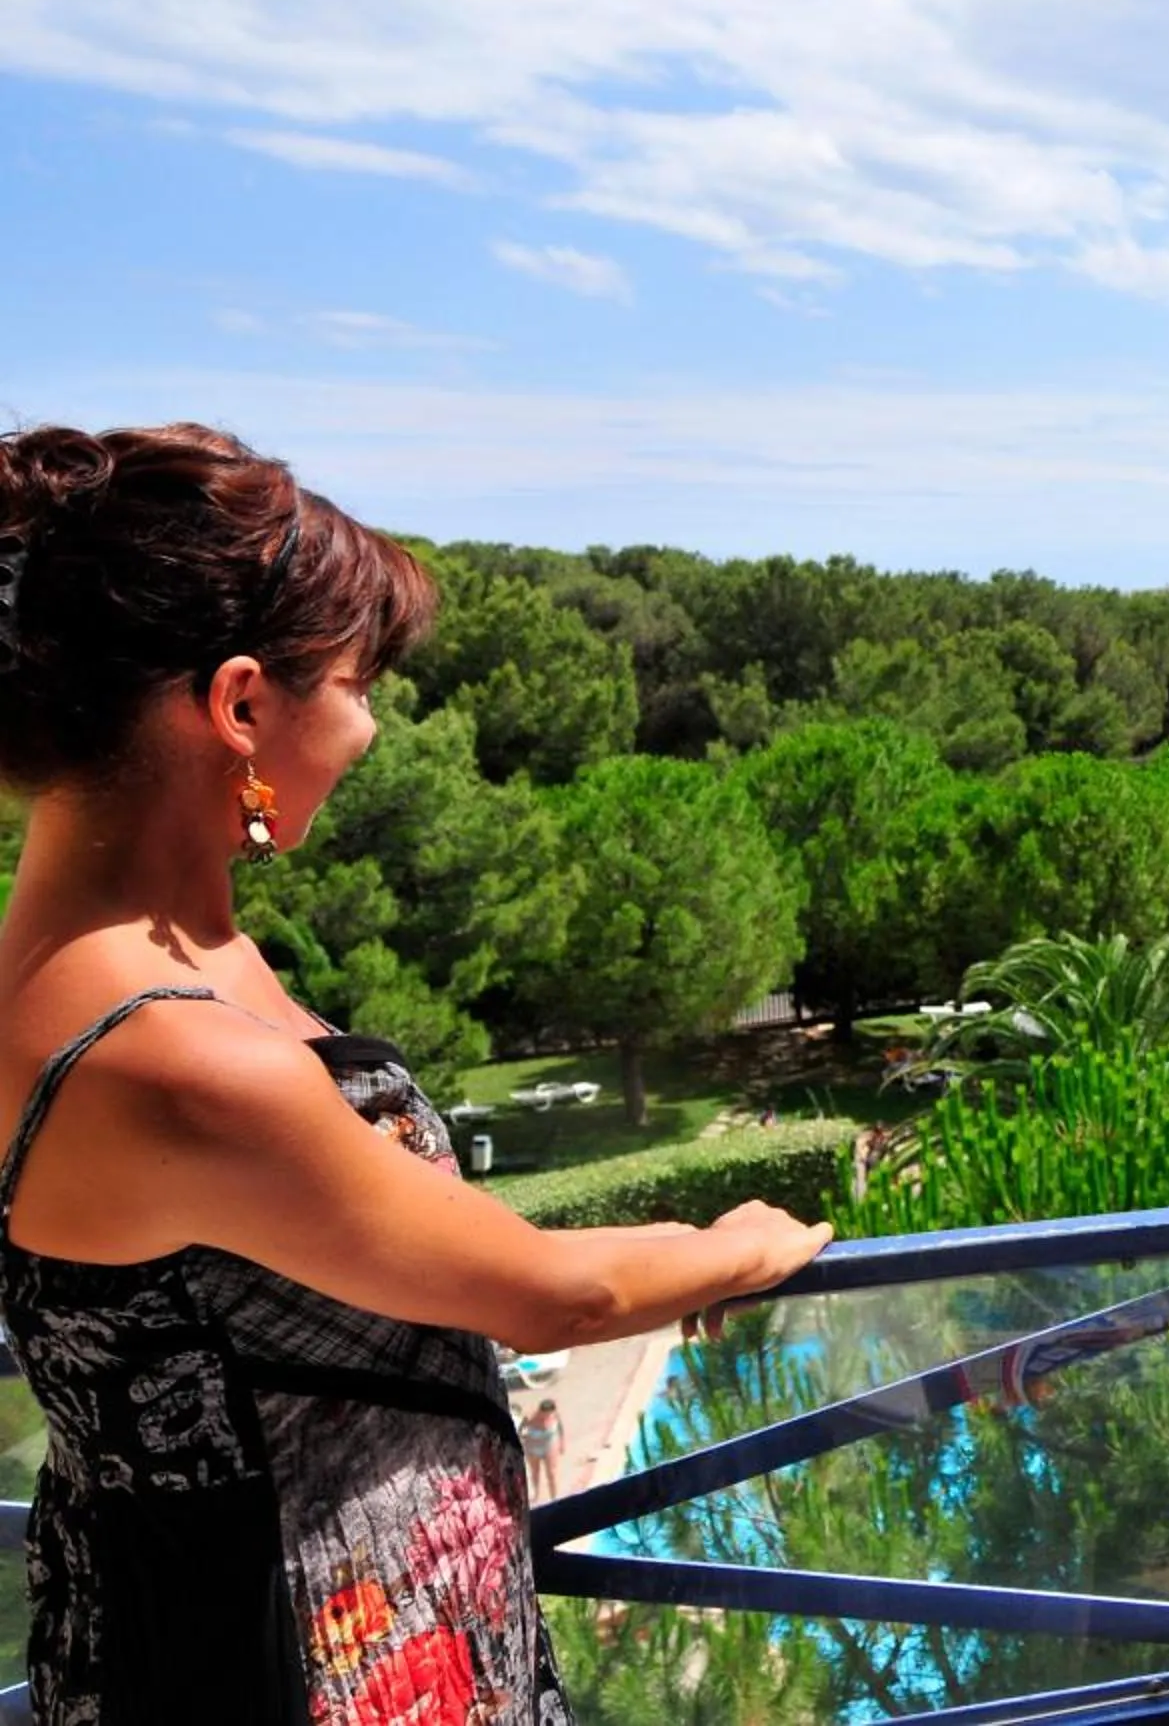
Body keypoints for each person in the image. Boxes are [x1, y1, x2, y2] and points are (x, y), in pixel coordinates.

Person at [0, 424, 834, 1724]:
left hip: (180, 1614)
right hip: (305, 1654)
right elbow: (561, 1293)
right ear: (239, 706)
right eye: (356, 681)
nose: (371, 726)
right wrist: (744, 1243)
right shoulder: (172, 1053)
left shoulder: (100, 964)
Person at [520, 1398, 567, 1502]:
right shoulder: (530, 1417)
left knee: (552, 1473)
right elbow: (520, 1431)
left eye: (551, 1413)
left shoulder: (555, 1415)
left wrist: (562, 1443)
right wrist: (523, 1441)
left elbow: (560, 1428)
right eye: (547, 1414)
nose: (549, 1416)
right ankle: (536, 1495)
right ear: (541, 1411)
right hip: (533, 1447)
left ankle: (554, 1497)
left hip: (549, 1445)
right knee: (535, 1473)